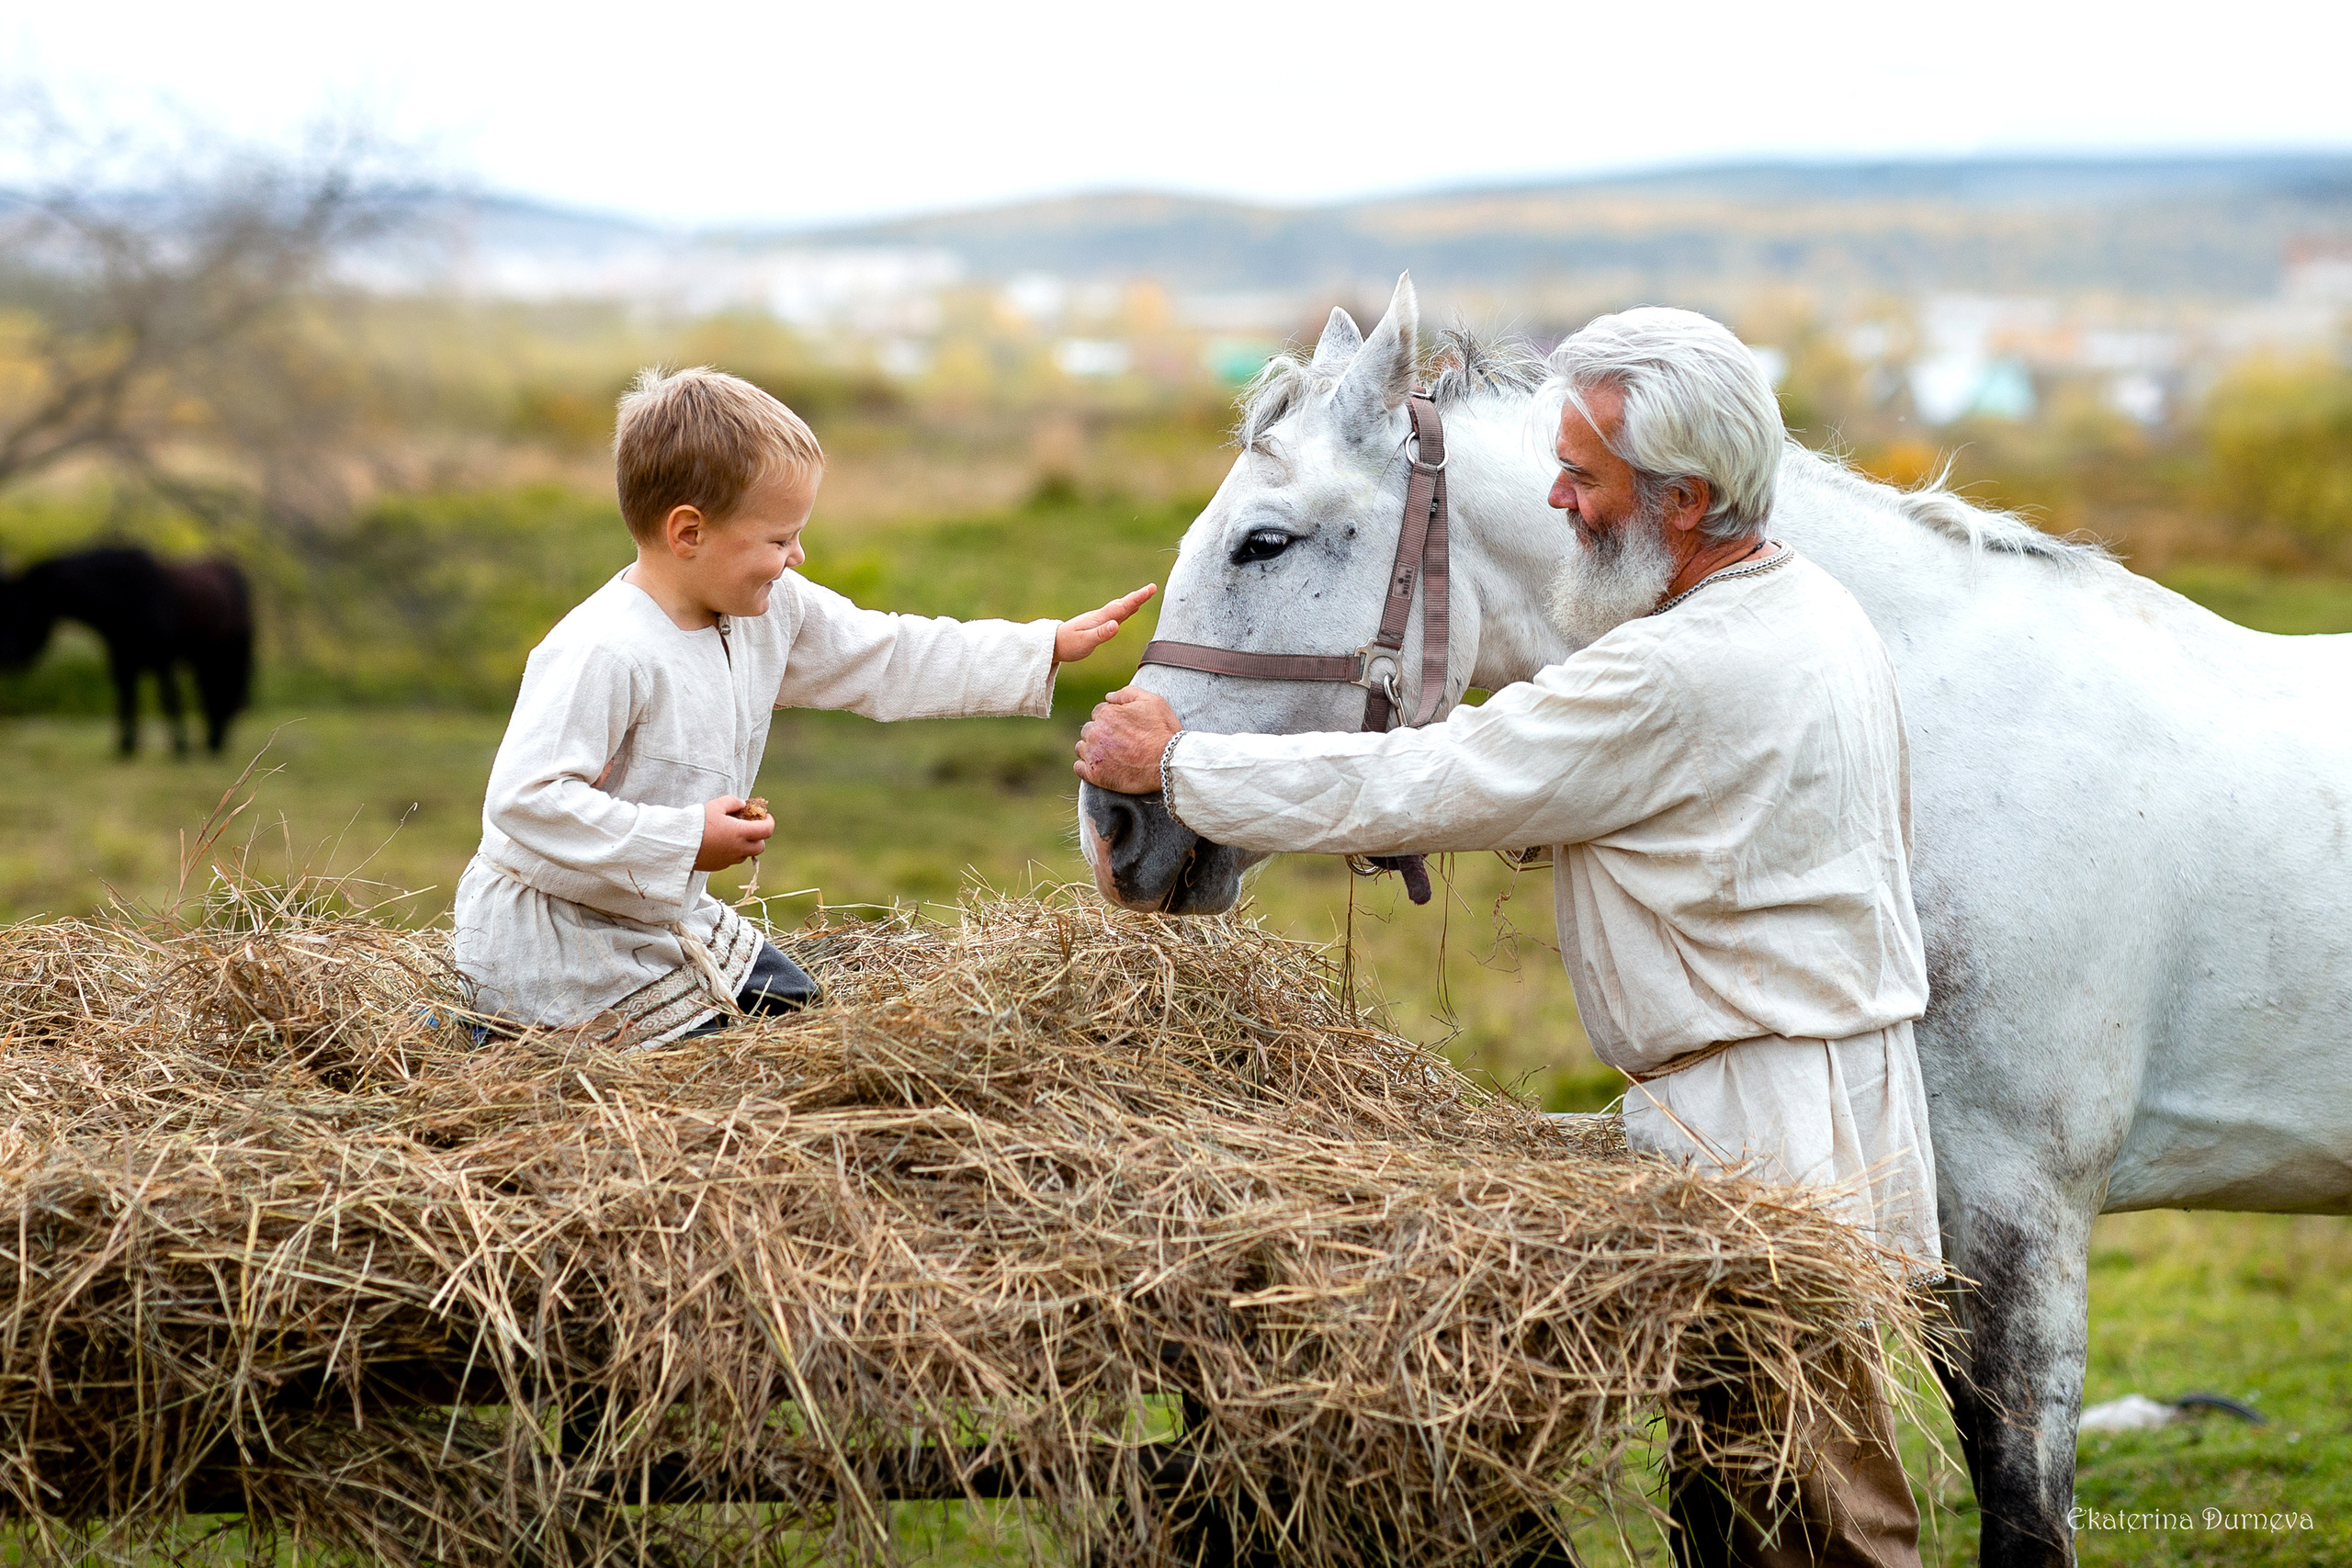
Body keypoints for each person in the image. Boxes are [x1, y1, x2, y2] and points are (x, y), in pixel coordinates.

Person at [1074, 309, 1937, 1568]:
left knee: (1814, 1512)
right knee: (1753, 1490)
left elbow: (1438, 774)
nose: (1556, 499)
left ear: (1685, 499)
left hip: (1764, 1120)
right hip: (1817, 1089)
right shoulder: (1811, 606)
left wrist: (1183, 766)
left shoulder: (1671, 672)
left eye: (1584, 478)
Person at [456, 367, 1152, 1048]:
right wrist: (684, 838)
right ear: (688, 533)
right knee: (718, 1065)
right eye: (779, 538)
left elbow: (888, 654)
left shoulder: (767, 610)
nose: (798, 555)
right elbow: (525, 800)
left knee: (806, 1020)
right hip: (564, 936)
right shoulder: (602, 650)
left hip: (665, 915)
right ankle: (486, 1026)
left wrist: (1043, 646)